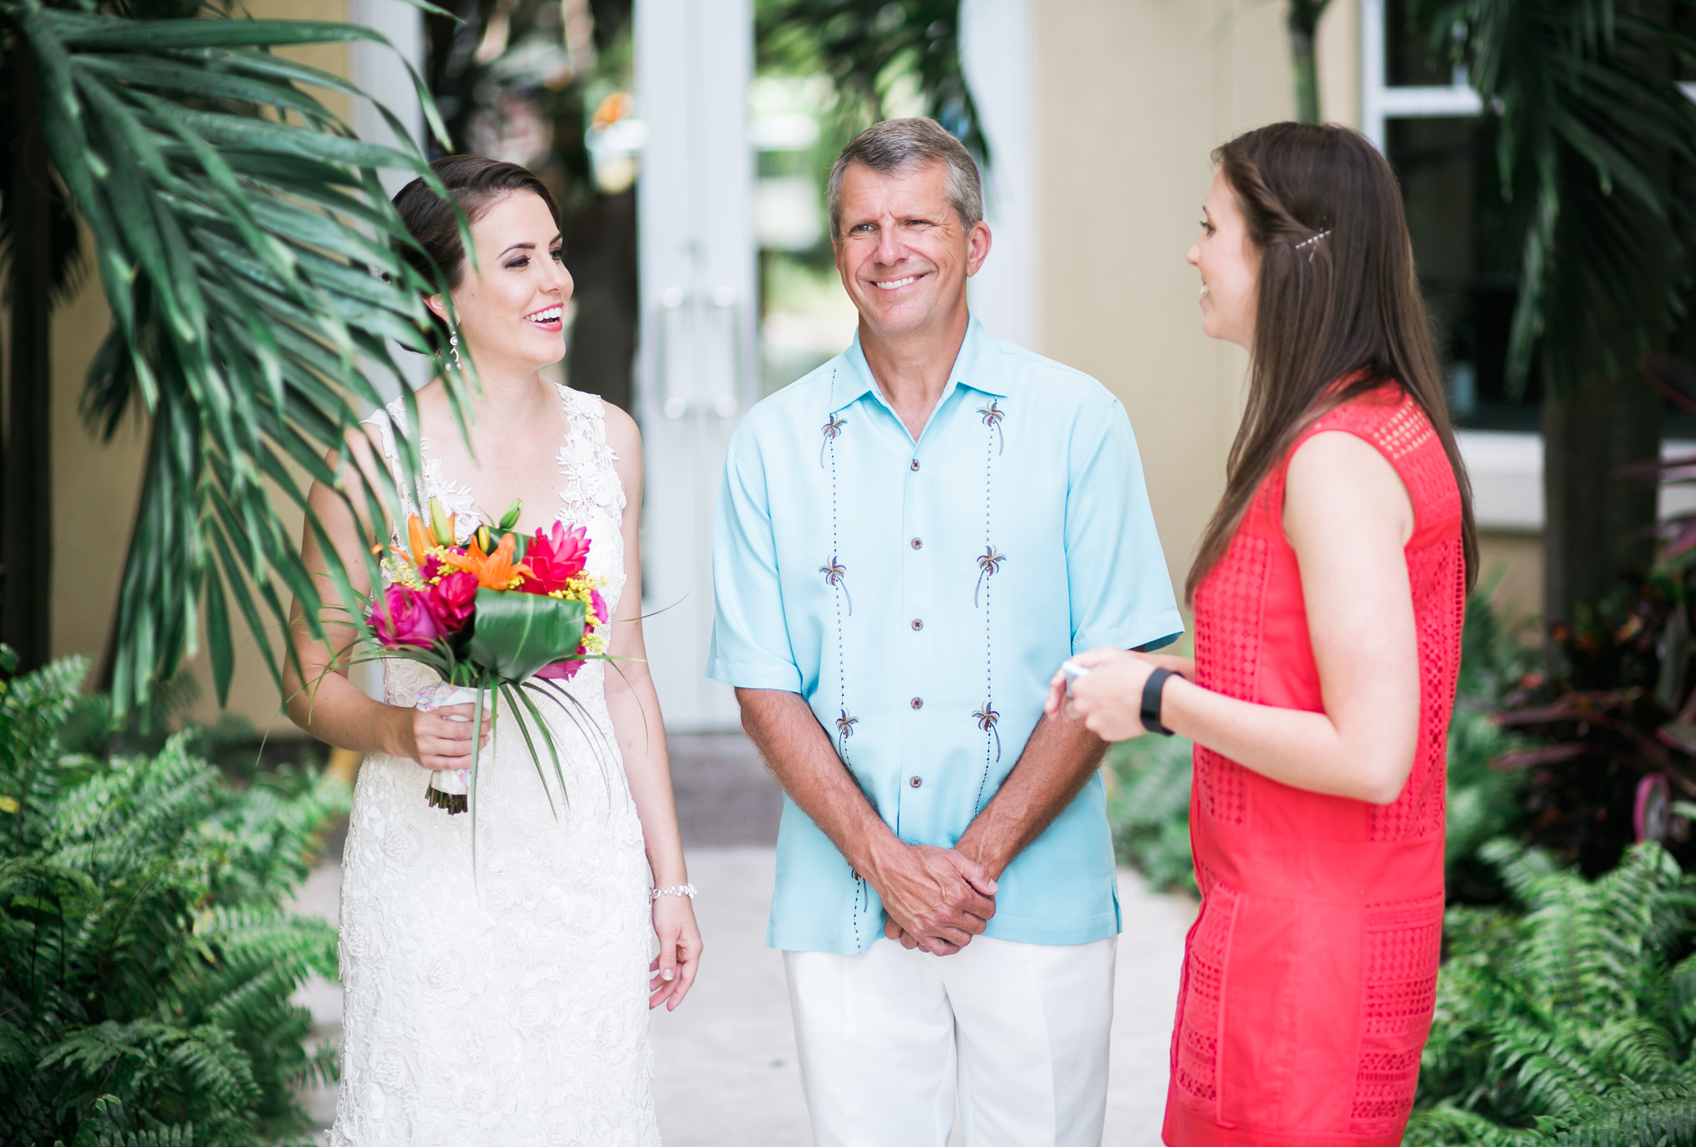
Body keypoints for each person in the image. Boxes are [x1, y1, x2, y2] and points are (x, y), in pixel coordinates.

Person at [709, 117, 1183, 1146]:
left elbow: (1114, 660)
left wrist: (968, 863)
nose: (889, 251)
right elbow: (760, 684)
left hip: (1037, 896)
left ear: (974, 242)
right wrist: (884, 863)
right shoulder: (770, 444)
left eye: (916, 221)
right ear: (836, 251)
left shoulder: (1078, 420)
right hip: (844, 902)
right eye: (860, 228)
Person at [1049, 122, 1476, 1146]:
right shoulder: (1373, 419)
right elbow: (1317, 681)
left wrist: (1157, 700)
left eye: (1210, 228)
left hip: (1307, 956)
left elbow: (1372, 754)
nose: (1193, 253)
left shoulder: (1336, 458)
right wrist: (1164, 677)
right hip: (1297, 929)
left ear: (1285, 256)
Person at [283, 155, 700, 1146]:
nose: (555, 279)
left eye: (555, 253)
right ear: (437, 299)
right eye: (518, 260)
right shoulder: (371, 459)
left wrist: (669, 881)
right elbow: (306, 680)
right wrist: (394, 725)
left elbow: (627, 673)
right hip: (433, 858)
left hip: (581, 860)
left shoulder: (613, 442)